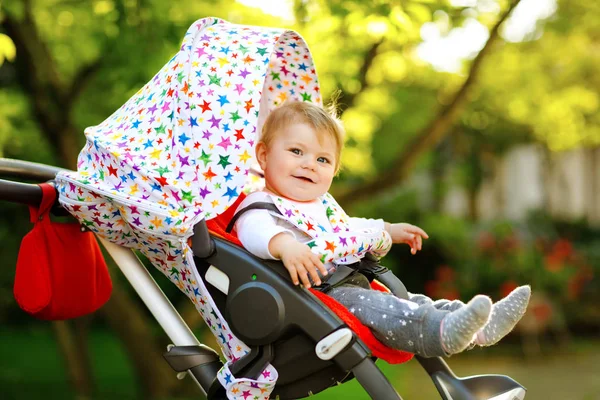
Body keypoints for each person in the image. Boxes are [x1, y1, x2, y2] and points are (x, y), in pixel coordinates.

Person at [233, 101, 531, 358]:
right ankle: (440, 332)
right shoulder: (261, 203)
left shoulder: (319, 204)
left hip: (348, 282)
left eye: (322, 159)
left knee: (407, 302)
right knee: (386, 308)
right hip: (317, 298)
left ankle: (477, 325)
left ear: (335, 169)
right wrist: (284, 244)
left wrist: (388, 229)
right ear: (263, 155)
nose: (310, 164)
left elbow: (348, 228)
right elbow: (253, 230)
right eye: (296, 151)